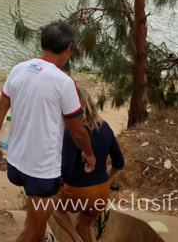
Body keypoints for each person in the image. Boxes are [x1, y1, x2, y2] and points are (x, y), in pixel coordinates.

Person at [0, 21, 96, 242]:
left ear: (42, 43)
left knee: (38, 224)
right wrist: (90, 154)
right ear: (69, 48)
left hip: (16, 164)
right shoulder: (64, 83)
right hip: (41, 171)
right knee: (32, 228)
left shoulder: (19, 69)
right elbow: (77, 131)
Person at [51, 87, 124, 242]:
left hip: (79, 191)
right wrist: (105, 177)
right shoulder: (105, 127)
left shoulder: (72, 131)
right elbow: (119, 162)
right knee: (83, 225)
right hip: (103, 191)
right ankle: (80, 236)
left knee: (52, 205)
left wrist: (53, 182)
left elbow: (67, 170)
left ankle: (76, 239)